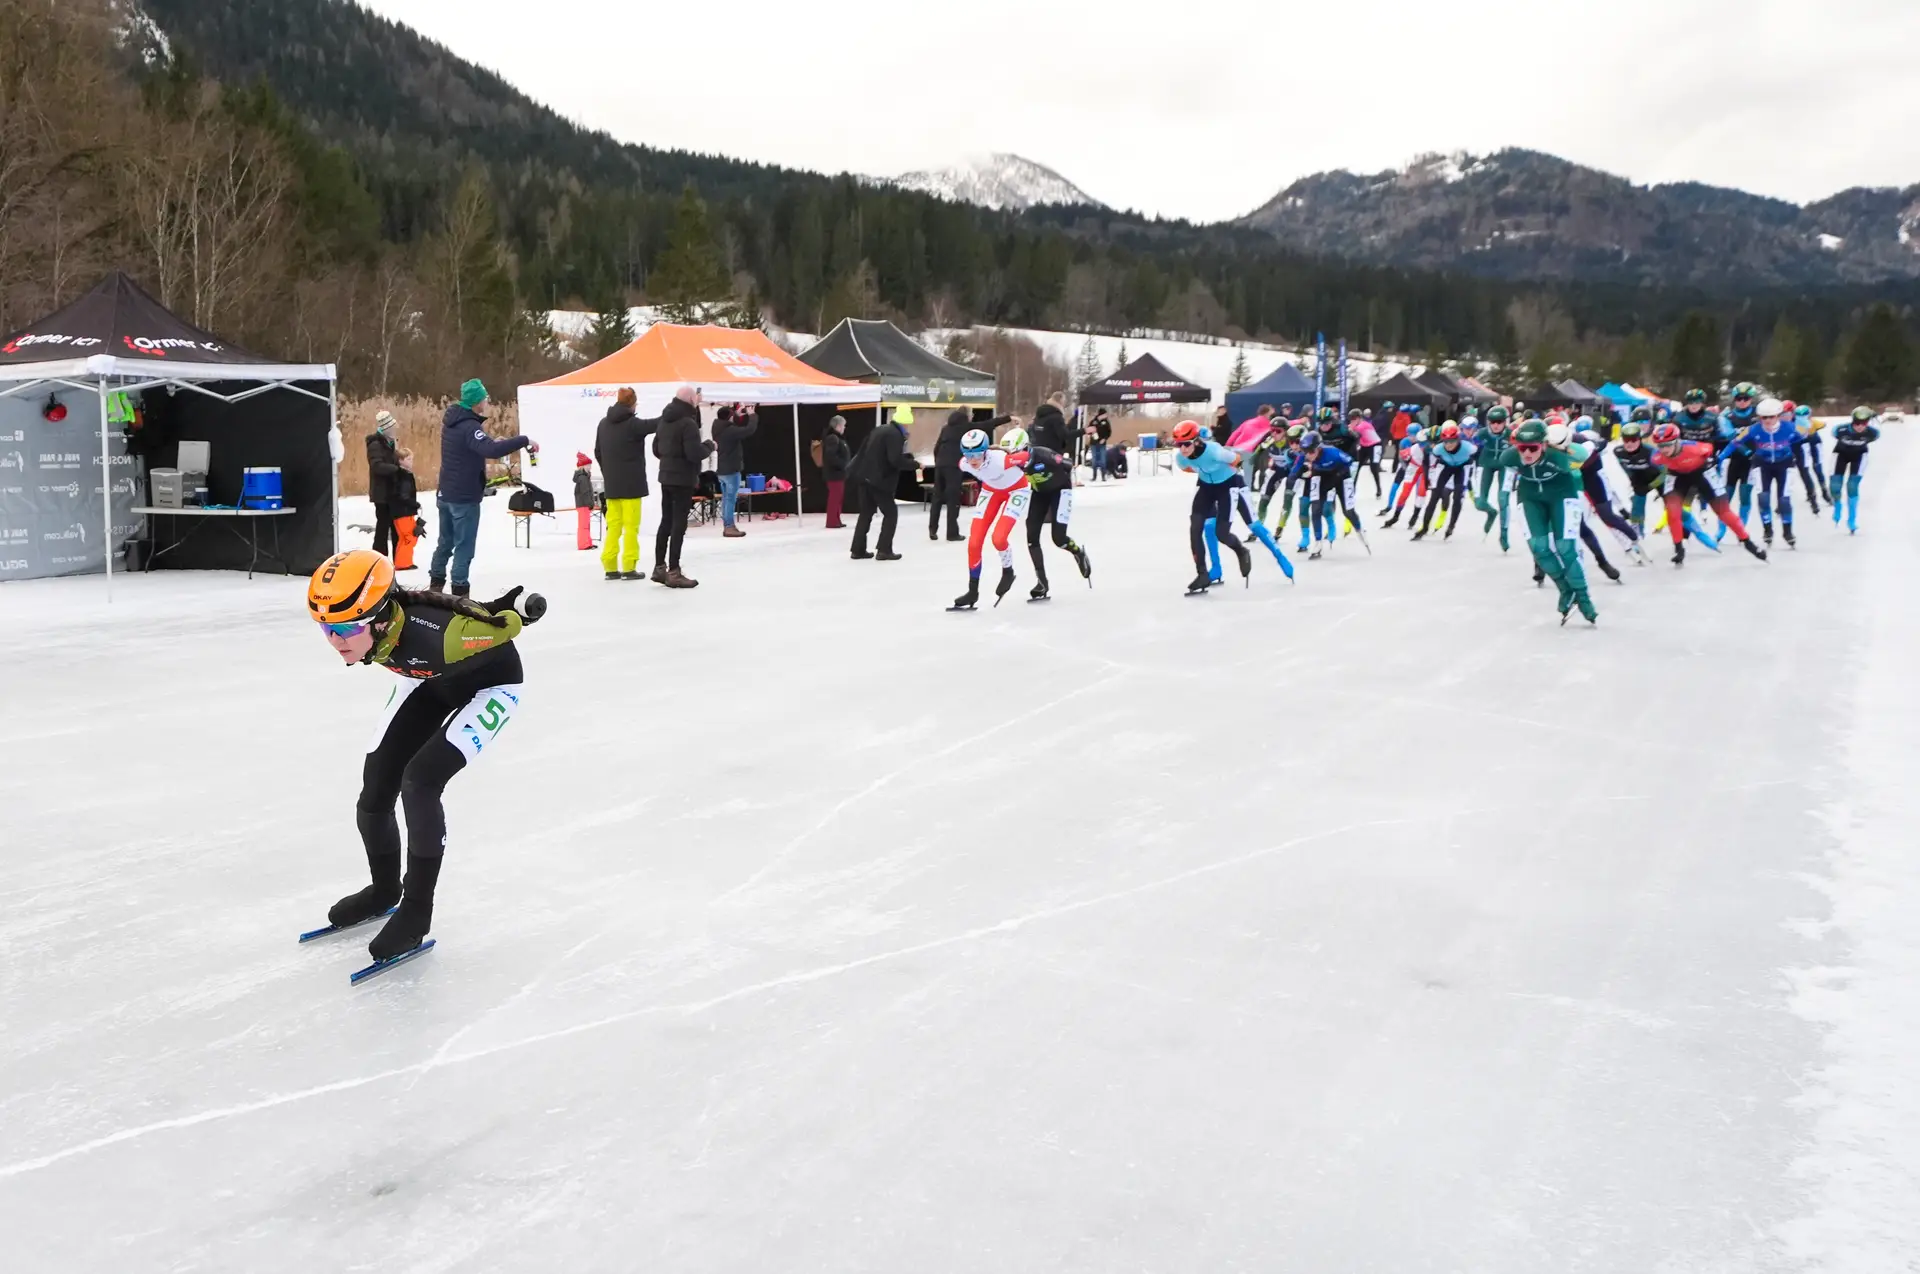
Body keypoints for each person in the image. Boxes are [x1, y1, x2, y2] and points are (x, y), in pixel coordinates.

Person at [307, 549, 544, 965]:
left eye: (344, 627)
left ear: (380, 619)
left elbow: (502, 623)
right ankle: (384, 891)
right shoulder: (382, 627)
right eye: (325, 629)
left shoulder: (445, 636)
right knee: (377, 783)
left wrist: (513, 611)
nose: (335, 641)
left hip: (490, 687)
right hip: (429, 682)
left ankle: (416, 913)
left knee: (419, 782)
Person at [431, 379, 535, 597]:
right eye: (485, 397)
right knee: (464, 547)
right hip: (464, 497)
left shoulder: (452, 422)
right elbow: (492, 451)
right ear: (477, 401)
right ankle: (460, 593)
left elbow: (475, 447)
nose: (487, 400)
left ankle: (435, 587)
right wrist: (523, 440)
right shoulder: (469, 426)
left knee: (445, 542)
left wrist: (490, 441)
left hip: (446, 493)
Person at [1495, 420, 1598, 625]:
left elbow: (1585, 451)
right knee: (1538, 548)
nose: (1526, 454)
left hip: (1561, 495)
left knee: (1565, 548)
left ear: (1544, 445)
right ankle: (1565, 589)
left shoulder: (1559, 457)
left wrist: (1564, 445)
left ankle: (1584, 598)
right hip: (1530, 497)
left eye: (1533, 448)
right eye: (1522, 448)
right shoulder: (1509, 457)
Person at [1649, 422, 1767, 565]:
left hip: (1702, 473)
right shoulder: (1656, 458)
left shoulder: (1697, 449)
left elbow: (1716, 446)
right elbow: (1662, 472)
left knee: (1723, 511)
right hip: (1678, 476)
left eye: (1668, 444)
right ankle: (1679, 549)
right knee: (1672, 511)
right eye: (1660, 446)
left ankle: (1748, 543)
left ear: (1677, 441)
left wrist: (1716, 461)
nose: (1664, 449)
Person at [951, 426, 1033, 607]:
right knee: (974, 542)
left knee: (999, 538)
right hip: (991, 491)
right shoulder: (963, 463)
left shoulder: (1001, 460)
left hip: (1017, 489)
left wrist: (1025, 456)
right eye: (968, 454)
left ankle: (1008, 571)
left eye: (977, 455)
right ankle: (972, 591)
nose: (972, 460)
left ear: (985, 452)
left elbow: (1027, 456)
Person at [1172, 418, 1250, 592]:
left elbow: (1237, 459)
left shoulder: (1215, 451)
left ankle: (1241, 551)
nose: (1182, 449)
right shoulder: (1181, 459)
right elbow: (1187, 468)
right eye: (1178, 445)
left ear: (1197, 441)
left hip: (1226, 486)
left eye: (1186, 444)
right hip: (1206, 487)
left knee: (1221, 534)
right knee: (1195, 529)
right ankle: (1202, 574)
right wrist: (1205, 473)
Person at [594, 386, 658, 580]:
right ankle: (629, 566)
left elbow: (598, 451)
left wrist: (609, 473)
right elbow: (656, 424)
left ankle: (610, 565)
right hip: (632, 485)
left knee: (613, 526)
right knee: (631, 527)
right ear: (632, 404)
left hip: (613, 485)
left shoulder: (603, 424)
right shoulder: (633, 424)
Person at [650, 385, 708, 588]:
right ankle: (674, 571)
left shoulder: (665, 420)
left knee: (666, 521)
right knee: (678, 524)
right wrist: (710, 446)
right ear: (692, 399)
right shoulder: (687, 424)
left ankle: (659, 568)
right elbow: (694, 453)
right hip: (683, 479)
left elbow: (656, 449)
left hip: (666, 477)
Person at [1017, 444, 1092, 599]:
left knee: (1059, 538)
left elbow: (1068, 464)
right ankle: (1042, 582)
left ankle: (1078, 553)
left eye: (1017, 454)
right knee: (1031, 534)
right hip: (1039, 493)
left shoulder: (1043, 454)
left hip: (1060, 491)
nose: (1014, 459)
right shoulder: (1011, 461)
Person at [852, 406, 918, 561]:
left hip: (865, 477)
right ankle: (884, 549)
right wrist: (914, 464)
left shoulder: (880, 430)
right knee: (890, 514)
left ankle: (857, 549)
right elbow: (894, 459)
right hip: (880, 480)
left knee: (866, 514)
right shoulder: (894, 435)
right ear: (905, 422)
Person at [932, 408, 1009, 540]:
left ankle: (932, 529)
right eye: (971, 414)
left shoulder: (946, 428)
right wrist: (1007, 418)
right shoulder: (966, 427)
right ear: (966, 416)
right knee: (953, 499)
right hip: (954, 466)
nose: (973, 416)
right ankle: (952, 533)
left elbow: (936, 447)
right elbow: (987, 424)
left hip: (940, 465)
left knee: (937, 497)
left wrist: (938, 461)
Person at [1414, 422, 1476, 541]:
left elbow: (1477, 455)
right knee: (1434, 497)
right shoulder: (1438, 449)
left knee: (1458, 496)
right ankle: (1424, 528)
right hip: (1447, 466)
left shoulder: (1468, 447)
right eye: (1446, 442)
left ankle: (1451, 526)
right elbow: (1427, 463)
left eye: (1452, 441)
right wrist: (1427, 478)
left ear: (1458, 440)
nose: (1448, 445)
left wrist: (1471, 470)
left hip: (1462, 468)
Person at [1828, 406, 1882, 532]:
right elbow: (1834, 434)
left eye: (1863, 423)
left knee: (1852, 486)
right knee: (1835, 486)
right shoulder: (1840, 430)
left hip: (1860, 456)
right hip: (1840, 455)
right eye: (1856, 423)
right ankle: (1837, 506)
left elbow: (1874, 436)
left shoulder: (1873, 433)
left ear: (1868, 423)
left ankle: (1852, 519)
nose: (1859, 426)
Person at [711, 403, 759, 538]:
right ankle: (729, 526)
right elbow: (749, 430)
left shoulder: (717, 427)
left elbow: (731, 424)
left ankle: (727, 524)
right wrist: (752, 415)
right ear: (729, 417)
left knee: (726, 498)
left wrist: (736, 415)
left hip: (722, 469)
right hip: (731, 469)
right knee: (730, 499)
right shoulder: (730, 431)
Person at [366, 410, 403, 557]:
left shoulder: (391, 442)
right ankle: (379, 557)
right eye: (392, 427)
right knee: (383, 526)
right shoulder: (375, 444)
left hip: (393, 490)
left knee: (395, 526)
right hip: (381, 493)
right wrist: (397, 470)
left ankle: (398, 557)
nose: (394, 430)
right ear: (385, 429)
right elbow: (376, 466)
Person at [391, 446, 423, 571]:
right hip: (403, 511)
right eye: (408, 459)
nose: (411, 462)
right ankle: (403, 563)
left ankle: (403, 561)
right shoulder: (403, 476)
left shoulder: (400, 475)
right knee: (409, 537)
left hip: (402, 511)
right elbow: (403, 495)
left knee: (405, 538)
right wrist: (414, 504)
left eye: (411, 459)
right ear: (401, 460)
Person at [821, 414, 852, 529]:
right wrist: (844, 465)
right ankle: (832, 521)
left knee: (838, 497)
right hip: (834, 474)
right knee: (834, 498)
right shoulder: (833, 438)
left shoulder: (838, 438)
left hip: (838, 474)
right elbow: (831, 456)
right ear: (838, 426)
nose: (844, 428)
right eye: (843, 425)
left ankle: (836, 519)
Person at [572, 452, 596, 552]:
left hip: (584, 504)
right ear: (583, 466)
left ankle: (587, 542)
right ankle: (583, 544)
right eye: (588, 465)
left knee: (586, 525)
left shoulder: (585, 476)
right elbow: (585, 492)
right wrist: (590, 503)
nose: (590, 467)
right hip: (583, 504)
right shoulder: (582, 478)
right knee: (584, 526)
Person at [1087, 409, 1113, 481]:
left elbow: (1109, 432)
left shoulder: (1106, 422)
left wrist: (1104, 439)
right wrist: (1089, 434)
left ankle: (1103, 476)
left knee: (1103, 460)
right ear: (1101, 414)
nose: (1106, 415)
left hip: (1102, 444)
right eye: (1105, 414)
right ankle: (1094, 476)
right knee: (1094, 460)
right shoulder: (1093, 421)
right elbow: (1088, 430)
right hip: (1093, 443)